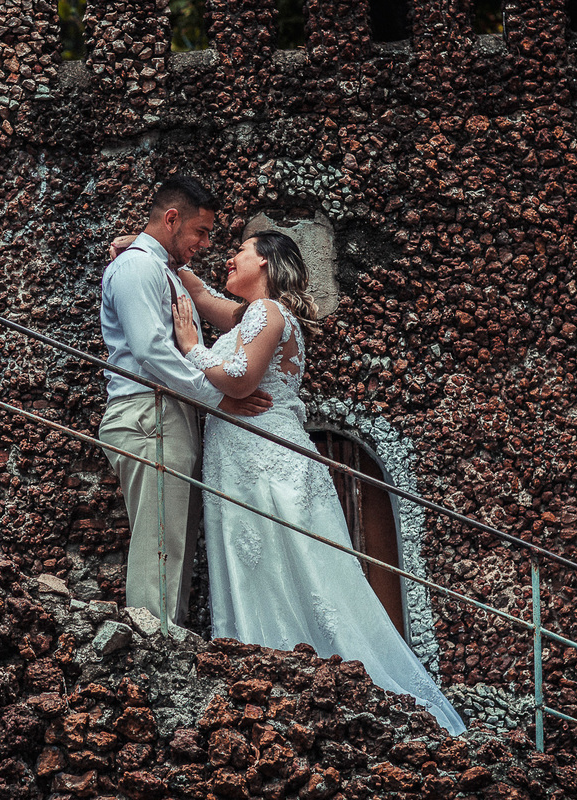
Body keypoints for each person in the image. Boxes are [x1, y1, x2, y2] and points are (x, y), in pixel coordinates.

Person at [170, 230, 467, 736]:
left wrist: (193, 346)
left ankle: (272, 672)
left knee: (278, 558)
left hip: (261, 457)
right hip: (247, 453)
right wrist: (148, 247)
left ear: (263, 262)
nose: (228, 259)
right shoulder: (252, 315)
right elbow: (198, 294)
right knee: (277, 560)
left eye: (240, 251)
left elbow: (240, 379)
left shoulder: (267, 313)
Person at [98, 176, 271, 625]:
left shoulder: (162, 268)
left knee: (172, 537)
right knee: (161, 538)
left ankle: (163, 641)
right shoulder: (138, 267)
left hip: (167, 411)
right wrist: (216, 398)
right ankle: (150, 642)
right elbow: (151, 350)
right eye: (201, 231)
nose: (207, 243)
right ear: (172, 219)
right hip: (147, 412)